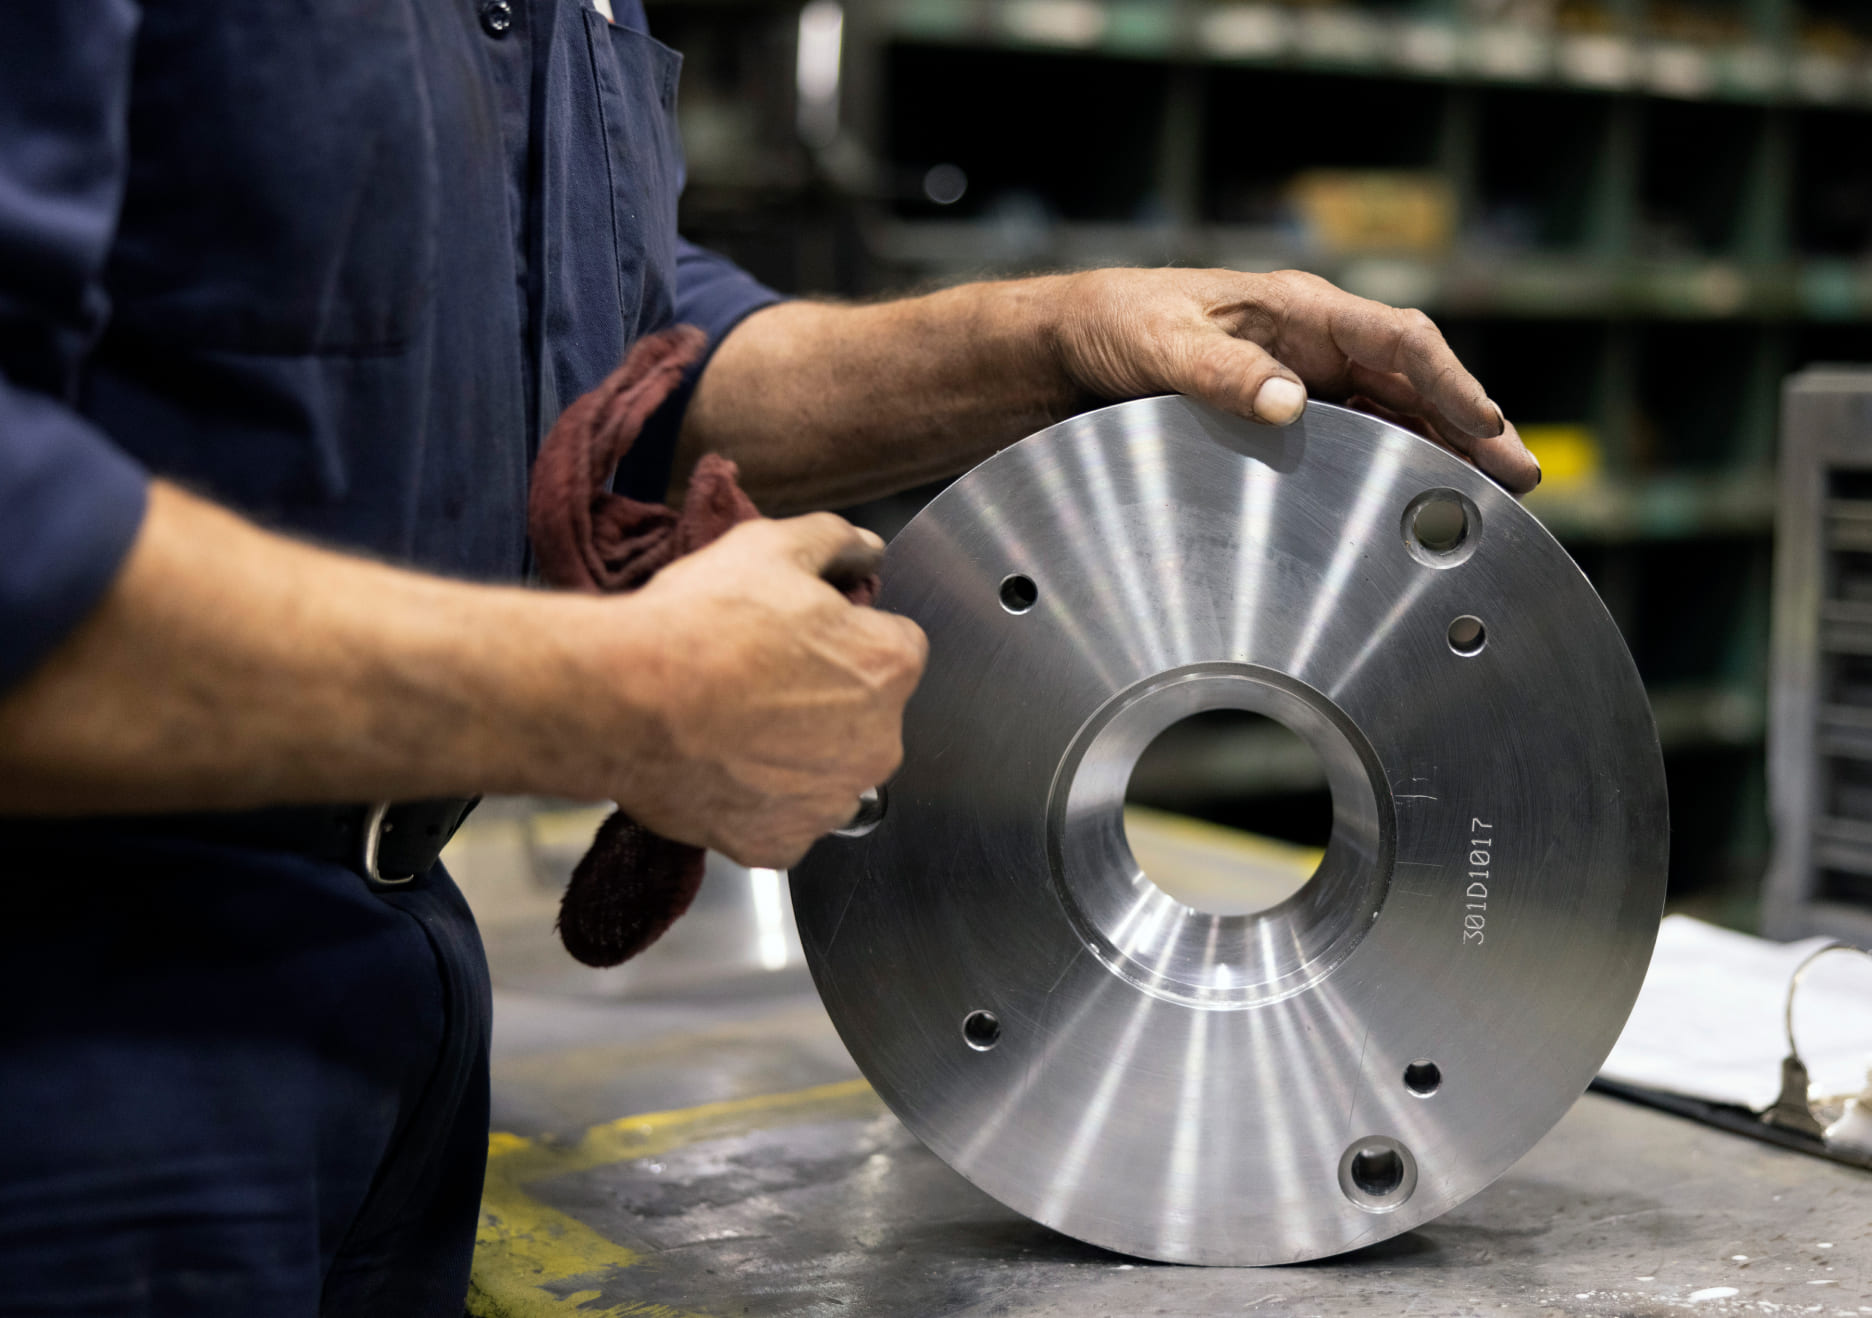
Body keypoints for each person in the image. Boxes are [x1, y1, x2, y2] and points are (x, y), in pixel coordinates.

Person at [0, 2, 1538, 1314]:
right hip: (75, 1042)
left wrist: (1053, 342)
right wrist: (613, 693)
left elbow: (621, 370)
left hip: (389, 1009)